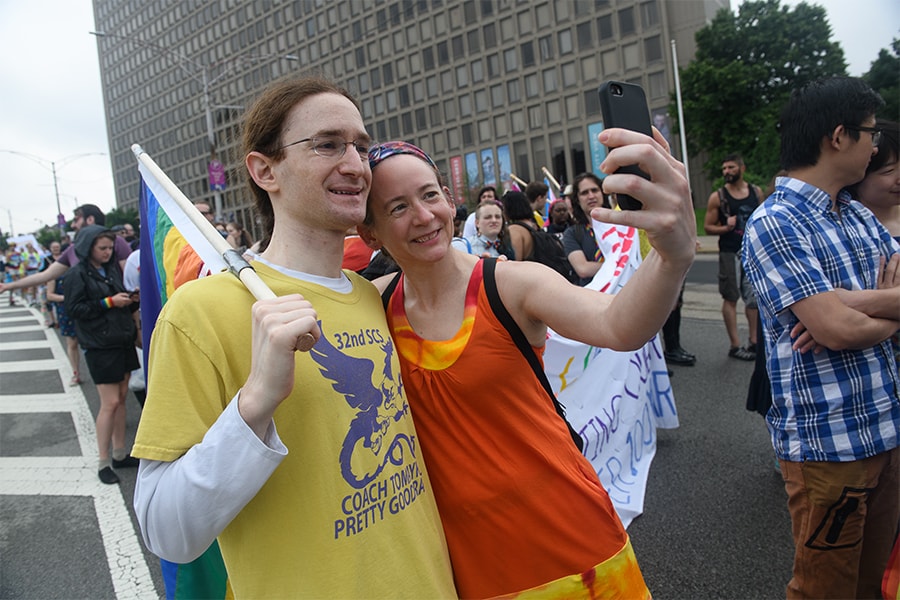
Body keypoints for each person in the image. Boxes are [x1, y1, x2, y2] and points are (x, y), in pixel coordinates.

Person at [131, 77, 455, 598]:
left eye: (361, 145)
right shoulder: (200, 314)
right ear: (265, 170)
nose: (355, 163)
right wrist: (256, 400)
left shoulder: (372, 297)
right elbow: (166, 531)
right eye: (328, 144)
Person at [358, 135, 695, 598]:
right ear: (370, 232)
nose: (423, 216)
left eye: (430, 194)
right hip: (471, 563)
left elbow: (619, 326)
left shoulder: (512, 285)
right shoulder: (371, 309)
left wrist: (673, 255)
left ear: (451, 200)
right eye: (396, 207)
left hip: (574, 545)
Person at [742, 77, 900, 599]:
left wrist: (838, 304)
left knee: (871, 586)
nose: (876, 148)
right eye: (870, 135)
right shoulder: (776, 222)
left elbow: (838, 319)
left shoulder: (855, 213)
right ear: (838, 136)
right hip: (829, 447)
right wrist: (841, 313)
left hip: (888, 429)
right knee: (823, 591)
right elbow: (836, 329)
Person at [63, 226, 140, 484]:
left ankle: (120, 453)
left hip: (120, 339)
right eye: (103, 248)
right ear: (88, 248)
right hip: (99, 345)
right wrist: (109, 302)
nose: (108, 253)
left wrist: (131, 299)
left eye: (110, 248)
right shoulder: (76, 274)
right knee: (110, 403)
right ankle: (103, 461)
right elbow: (74, 309)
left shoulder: (109, 270)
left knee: (119, 399)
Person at [704, 154, 763, 361]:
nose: (726, 172)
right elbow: (707, 227)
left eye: (730, 167)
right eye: (724, 169)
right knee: (730, 297)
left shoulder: (756, 192)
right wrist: (724, 227)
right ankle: (735, 345)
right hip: (729, 252)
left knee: (753, 299)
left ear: (741, 168)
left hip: (752, 252)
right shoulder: (718, 197)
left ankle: (754, 342)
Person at [0, 204, 132, 296]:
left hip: (118, 320)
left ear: (90, 219)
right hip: (88, 322)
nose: (73, 225)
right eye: (102, 248)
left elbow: (131, 281)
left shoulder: (118, 242)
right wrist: (8, 286)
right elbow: (46, 275)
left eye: (76, 220)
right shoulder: (73, 249)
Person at [562, 172, 608, 286]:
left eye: (595, 190)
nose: (591, 196)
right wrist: (621, 266)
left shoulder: (622, 226)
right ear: (577, 199)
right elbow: (583, 269)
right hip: (592, 295)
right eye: (584, 193)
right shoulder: (572, 234)